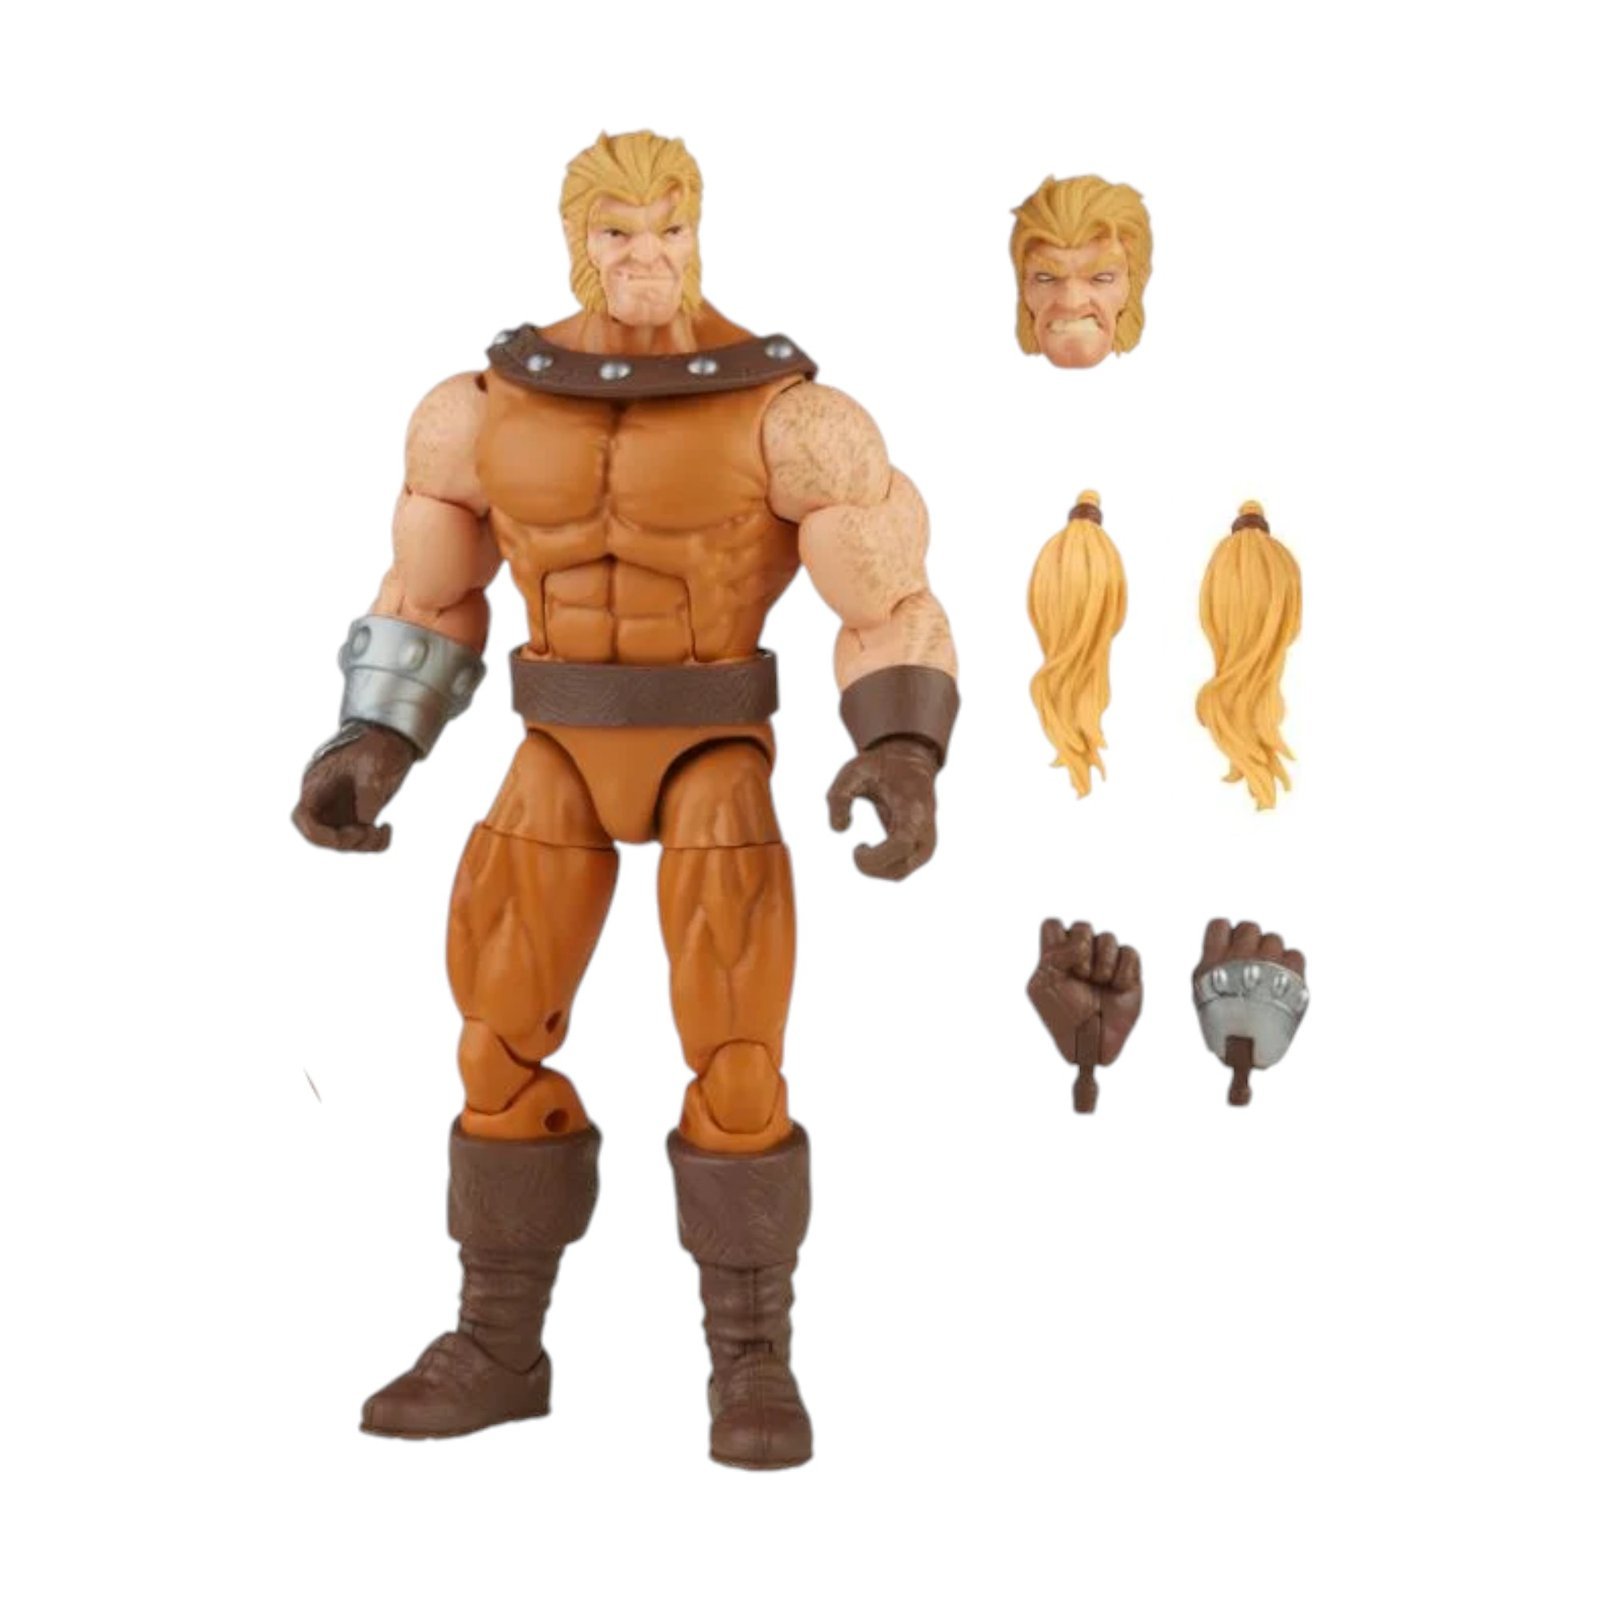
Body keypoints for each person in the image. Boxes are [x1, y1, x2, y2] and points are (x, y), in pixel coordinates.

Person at [293, 130, 958, 1470]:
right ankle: (499, 1345)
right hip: (557, 744)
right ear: (577, 244)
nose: (646, 254)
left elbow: (887, 596)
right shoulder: (482, 409)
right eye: (618, 232)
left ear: (699, 231)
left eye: (669, 228)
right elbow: (430, 586)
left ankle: (752, 1356)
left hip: (712, 746)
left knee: (738, 1051)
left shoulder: (790, 417)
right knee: (493, 1032)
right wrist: (375, 735)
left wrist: (901, 745)